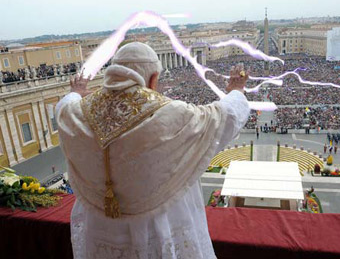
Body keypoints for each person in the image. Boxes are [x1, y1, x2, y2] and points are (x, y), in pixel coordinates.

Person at [56, 42, 250, 259]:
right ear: (153, 79)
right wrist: (237, 90)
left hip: (101, 233)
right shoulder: (172, 114)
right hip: (154, 231)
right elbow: (225, 117)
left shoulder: (76, 113)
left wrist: (75, 92)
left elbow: (63, 107)